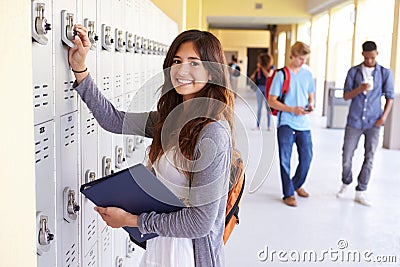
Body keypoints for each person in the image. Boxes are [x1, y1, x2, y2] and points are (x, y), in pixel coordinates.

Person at [69, 25, 234, 267]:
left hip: (187, 254)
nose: (182, 70)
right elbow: (114, 120)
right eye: (177, 61)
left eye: (194, 62)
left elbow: (201, 223)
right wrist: (80, 69)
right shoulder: (169, 119)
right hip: (161, 244)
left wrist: (131, 220)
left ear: (212, 72)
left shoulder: (213, 133)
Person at [336, 41, 394, 206]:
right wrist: (359, 89)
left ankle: (361, 190)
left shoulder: (384, 73)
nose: (369, 60)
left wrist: (384, 117)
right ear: (362, 54)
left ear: (377, 53)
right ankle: (346, 182)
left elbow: (390, 96)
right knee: (347, 155)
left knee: (369, 157)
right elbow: (346, 96)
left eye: (372, 57)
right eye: (367, 57)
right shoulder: (354, 72)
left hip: (373, 122)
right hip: (354, 120)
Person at [267, 42, 315, 207]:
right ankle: (288, 193)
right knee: (284, 160)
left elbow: (310, 95)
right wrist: (291, 109)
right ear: (292, 56)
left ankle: (296, 184)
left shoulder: (307, 75)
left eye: (305, 59)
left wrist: (311, 104)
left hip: (304, 123)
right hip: (286, 122)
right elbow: (271, 101)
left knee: (307, 158)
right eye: (300, 58)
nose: (303, 62)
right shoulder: (281, 75)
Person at [250, 53, 274, 131]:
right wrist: (257, 69)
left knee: (268, 108)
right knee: (259, 108)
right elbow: (252, 77)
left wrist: (262, 68)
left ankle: (269, 126)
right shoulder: (259, 68)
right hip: (259, 88)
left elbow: (268, 76)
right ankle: (257, 125)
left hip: (268, 89)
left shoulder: (272, 67)